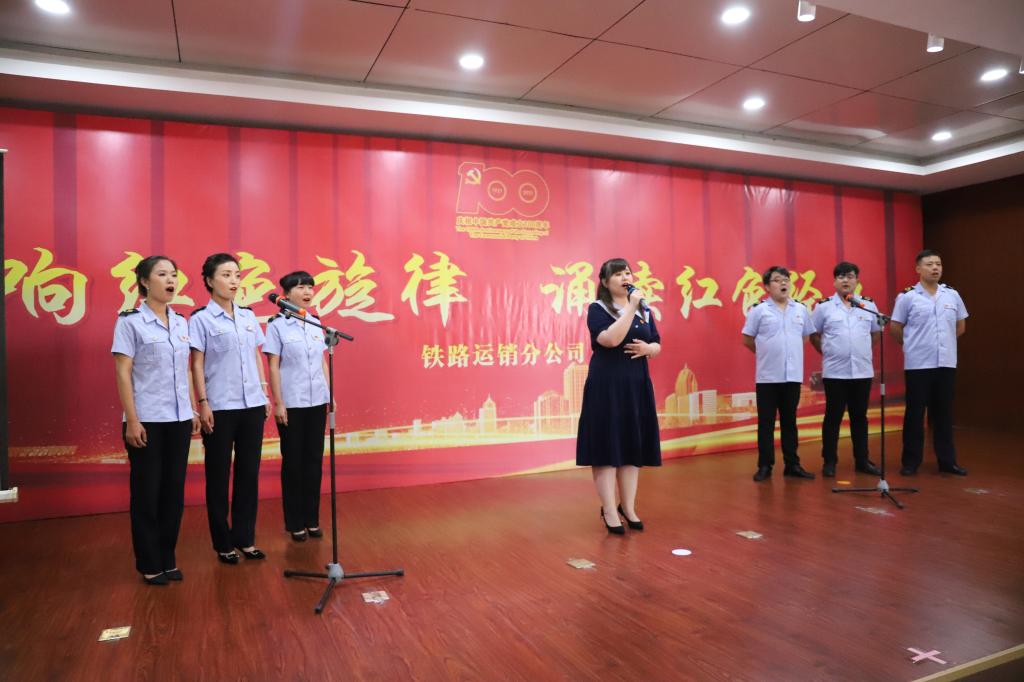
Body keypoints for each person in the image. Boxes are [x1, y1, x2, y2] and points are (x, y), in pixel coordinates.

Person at [112, 255, 200, 585]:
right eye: (162, 274)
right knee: (147, 493)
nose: (170, 280)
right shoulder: (130, 322)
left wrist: (192, 408)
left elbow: (185, 371)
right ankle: (149, 563)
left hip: (178, 419)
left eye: (173, 274)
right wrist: (132, 420)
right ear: (145, 282)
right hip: (146, 419)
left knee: (173, 493)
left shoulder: (181, 322)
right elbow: (123, 373)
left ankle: (168, 557)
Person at [189, 253, 271, 564]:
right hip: (220, 407)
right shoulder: (200, 319)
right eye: (226, 275)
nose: (234, 280)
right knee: (218, 476)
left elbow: (255, 357)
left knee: (249, 474)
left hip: (252, 405)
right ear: (210, 281)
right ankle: (223, 542)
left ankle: (245, 538)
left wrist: (264, 393)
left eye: (237, 274)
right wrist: (203, 403)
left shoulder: (249, 317)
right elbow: (196, 364)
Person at [576, 258, 662, 535]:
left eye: (628, 273)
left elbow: (657, 342)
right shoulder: (598, 309)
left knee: (631, 447)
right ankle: (609, 511)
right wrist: (631, 307)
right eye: (618, 274)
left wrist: (650, 349)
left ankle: (629, 507)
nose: (626, 277)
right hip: (606, 388)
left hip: (636, 387)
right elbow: (610, 340)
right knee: (606, 448)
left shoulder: (645, 309)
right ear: (605, 281)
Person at [263, 271, 330, 542]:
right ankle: (294, 522)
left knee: (314, 461)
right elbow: (273, 366)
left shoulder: (315, 322)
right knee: (293, 462)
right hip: (291, 403)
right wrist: (278, 402)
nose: (307, 292)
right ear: (286, 294)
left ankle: (312, 519)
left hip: (317, 401)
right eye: (301, 287)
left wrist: (329, 394)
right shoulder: (277, 325)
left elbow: (322, 361)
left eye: (310, 287)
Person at [890, 249, 968, 476]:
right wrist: (913, 345)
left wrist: (942, 344)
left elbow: (960, 326)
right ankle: (910, 462)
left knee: (943, 413)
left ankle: (947, 461)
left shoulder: (951, 295)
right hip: (918, 365)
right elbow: (895, 327)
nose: (935, 268)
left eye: (938, 264)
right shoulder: (907, 297)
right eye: (930, 264)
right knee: (915, 414)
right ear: (918, 269)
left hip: (946, 363)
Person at [742, 266, 816, 482]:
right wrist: (767, 353)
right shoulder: (759, 310)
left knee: (790, 422)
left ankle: (792, 464)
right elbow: (747, 339)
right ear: (767, 286)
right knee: (766, 423)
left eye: (786, 279)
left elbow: (805, 337)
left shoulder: (800, 309)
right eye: (777, 280)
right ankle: (765, 466)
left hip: (792, 376)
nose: (783, 283)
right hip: (767, 377)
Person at [809, 262, 882, 478]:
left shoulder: (867, 305)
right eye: (841, 277)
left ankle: (862, 460)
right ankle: (829, 461)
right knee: (833, 417)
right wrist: (828, 352)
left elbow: (875, 332)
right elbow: (814, 334)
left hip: (862, 371)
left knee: (860, 417)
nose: (845, 280)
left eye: (850, 276)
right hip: (835, 373)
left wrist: (861, 350)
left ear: (857, 280)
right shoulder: (823, 307)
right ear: (834, 281)